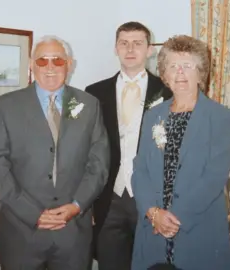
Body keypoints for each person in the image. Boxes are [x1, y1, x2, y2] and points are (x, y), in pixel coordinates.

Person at [0, 35, 110, 270]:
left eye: (58, 61)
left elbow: (99, 163)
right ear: (31, 65)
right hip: (22, 232)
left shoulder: (89, 104)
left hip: (73, 232)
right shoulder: (5, 106)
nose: (50, 67)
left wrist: (77, 205)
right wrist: (32, 213)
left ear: (69, 64)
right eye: (42, 61)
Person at [131, 35, 230, 270]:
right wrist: (153, 212)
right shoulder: (153, 115)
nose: (180, 72)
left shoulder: (221, 117)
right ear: (164, 75)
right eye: (172, 66)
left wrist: (174, 219)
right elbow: (140, 169)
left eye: (187, 66)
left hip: (198, 228)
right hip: (154, 228)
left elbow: (214, 177)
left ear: (200, 73)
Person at [85, 21, 172, 270]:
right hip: (108, 199)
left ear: (150, 49)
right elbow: (85, 149)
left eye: (137, 43)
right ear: (115, 48)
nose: (130, 48)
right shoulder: (93, 92)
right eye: (124, 43)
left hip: (152, 200)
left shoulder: (167, 91)